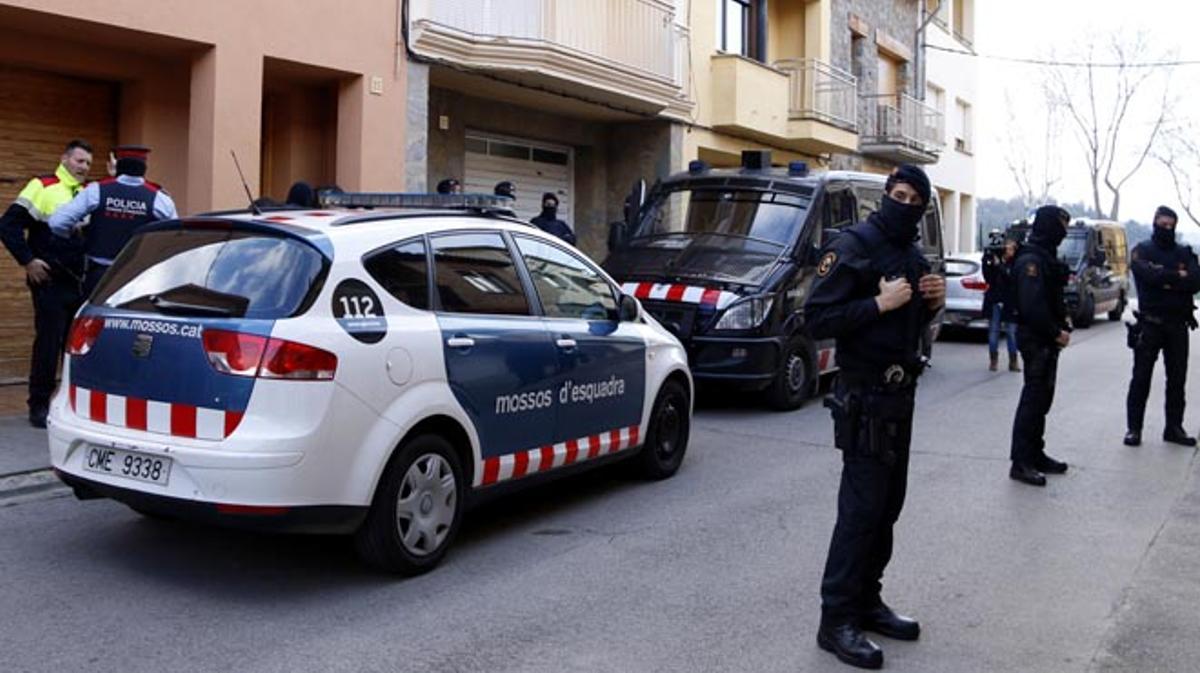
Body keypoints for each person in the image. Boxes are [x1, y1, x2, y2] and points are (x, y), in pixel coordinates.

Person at [805, 164, 945, 670]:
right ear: (885, 195)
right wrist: (878, 304)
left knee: (888, 508)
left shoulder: (911, 255)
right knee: (860, 512)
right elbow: (817, 317)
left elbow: (908, 323)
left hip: (898, 396)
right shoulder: (853, 245)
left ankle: (867, 600)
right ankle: (835, 619)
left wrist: (929, 306)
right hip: (862, 396)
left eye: (912, 198)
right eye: (897, 194)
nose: (902, 203)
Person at [0, 139, 92, 428]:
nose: (84, 168)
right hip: (50, 281)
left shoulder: (89, 193)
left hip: (80, 282)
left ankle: (70, 405)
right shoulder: (43, 186)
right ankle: (38, 405)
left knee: (75, 349)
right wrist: (27, 260)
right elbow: (8, 226)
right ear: (64, 159)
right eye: (80, 161)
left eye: (89, 163)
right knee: (49, 345)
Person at [49, 144, 176, 297]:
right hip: (137, 277)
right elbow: (174, 238)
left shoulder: (96, 190)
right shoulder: (159, 198)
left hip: (99, 276)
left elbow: (57, 222)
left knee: (95, 319)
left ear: (119, 166)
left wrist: (70, 235)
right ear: (143, 167)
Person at [1123, 206, 1200, 447]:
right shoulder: (1142, 250)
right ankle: (1134, 429)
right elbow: (1147, 277)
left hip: (1178, 325)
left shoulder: (1184, 252)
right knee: (1141, 378)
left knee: (1177, 380)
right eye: (1163, 224)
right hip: (1150, 324)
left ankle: (1174, 428)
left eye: (1171, 225)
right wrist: (1178, 277)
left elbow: (1196, 281)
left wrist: (1164, 278)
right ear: (1154, 222)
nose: (1167, 229)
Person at [1008, 205, 1073, 487]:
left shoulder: (1045, 256)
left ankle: (1035, 453)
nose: (1064, 233)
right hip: (1037, 338)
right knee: (1033, 399)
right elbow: (1032, 305)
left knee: (1043, 398)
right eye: (1060, 226)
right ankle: (1021, 462)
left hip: (1046, 339)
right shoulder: (1031, 259)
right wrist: (1054, 332)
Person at [982, 238, 1020, 372]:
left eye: (1010, 248)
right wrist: (986, 258)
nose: (1007, 250)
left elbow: (1011, 279)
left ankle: (1013, 361)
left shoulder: (1016, 264)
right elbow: (987, 277)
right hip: (995, 301)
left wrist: (999, 266)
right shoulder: (995, 261)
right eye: (1006, 248)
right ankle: (993, 360)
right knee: (993, 331)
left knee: (1011, 332)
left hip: (1010, 302)